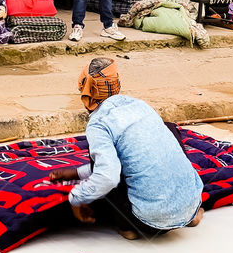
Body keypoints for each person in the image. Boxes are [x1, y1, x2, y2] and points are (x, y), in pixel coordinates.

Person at [49, 58, 204, 239]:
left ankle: (127, 227)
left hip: (146, 221)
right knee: (166, 130)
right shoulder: (141, 106)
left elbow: (108, 176)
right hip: (192, 205)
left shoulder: (99, 124)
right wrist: (77, 173)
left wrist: (76, 199)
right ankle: (189, 216)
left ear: (86, 92)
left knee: (108, 164)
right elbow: (138, 156)